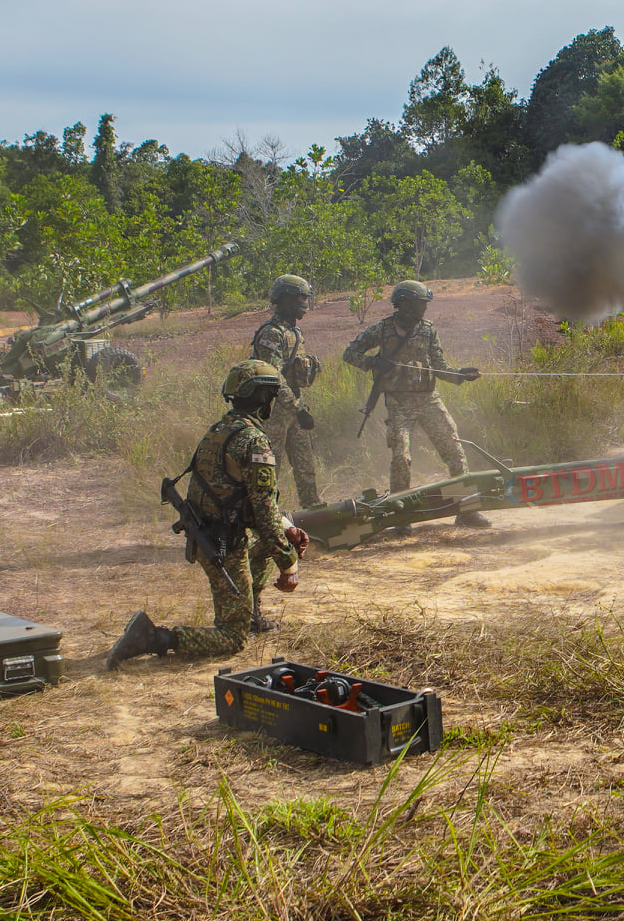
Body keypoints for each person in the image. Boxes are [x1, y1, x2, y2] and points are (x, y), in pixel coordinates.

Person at [107, 361, 310, 669]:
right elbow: (264, 515)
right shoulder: (254, 441)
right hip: (223, 544)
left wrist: (286, 528)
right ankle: (154, 638)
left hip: (208, 534)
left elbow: (239, 499)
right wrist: (289, 564)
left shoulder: (220, 430)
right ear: (262, 397)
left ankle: (249, 612)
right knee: (233, 638)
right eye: (271, 395)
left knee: (265, 546)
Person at [341, 281, 487, 524]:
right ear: (404, 304)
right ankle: (401, 516)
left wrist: (461, 375)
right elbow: (350, 354)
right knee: (401, 458)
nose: (424, 309)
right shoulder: (381, 330)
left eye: (425, 304)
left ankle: (467, 510)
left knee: (454, 451)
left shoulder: (428, 330)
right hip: (399, 404)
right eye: (420, 303)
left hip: (429, 401)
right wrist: (374, 363)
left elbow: (439, 366)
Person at [250, 274, 323, 510]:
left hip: (294, 410)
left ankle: (313, 510)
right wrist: (297, 408)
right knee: (269, 468)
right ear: (286, 299)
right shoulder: (272, 333)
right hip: (273, 414)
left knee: (305, 466)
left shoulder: (294, 332)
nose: (305, 303)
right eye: (301, 298)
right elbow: (272, 377)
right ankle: (263, 516)